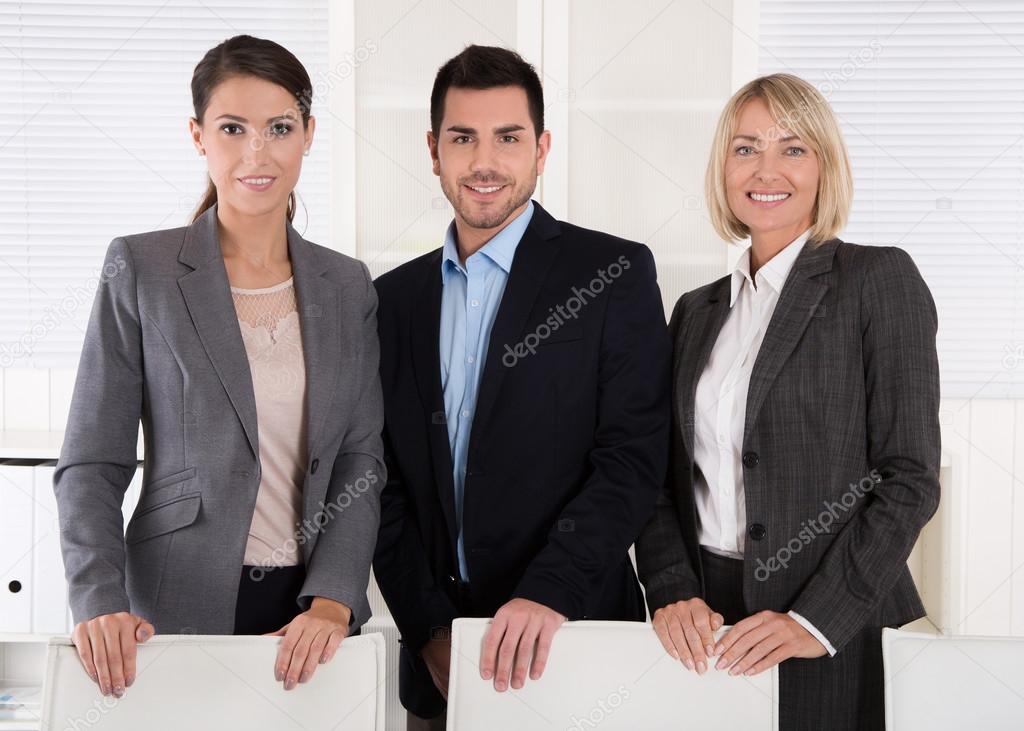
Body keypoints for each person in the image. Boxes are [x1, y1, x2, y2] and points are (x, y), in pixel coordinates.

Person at [53, 35, 384, 699]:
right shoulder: (141, 268)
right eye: (232, 128)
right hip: (171, 605)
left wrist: (334, 599)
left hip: (307, 619)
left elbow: (361, 459)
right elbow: (93, 460)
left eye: (279, 128)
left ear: (309, 135)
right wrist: (98, 600)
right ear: (199, 137)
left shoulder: (348, 286)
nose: (256, 153)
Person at [372, 45, 671, 730]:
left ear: (541, 148)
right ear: (433, 149)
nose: (484, 161)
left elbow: (632, 457)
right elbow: (377, 478)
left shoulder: (613, 273)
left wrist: (548, 592)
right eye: (463, 137)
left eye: (508, 138)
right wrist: (429, 630)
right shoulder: (390, 301)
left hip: (580, 646)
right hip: (441, 672)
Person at [636, 72, 940, 730]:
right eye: (746, 147)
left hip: (838, 624)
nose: (765, 169)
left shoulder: (878, 279)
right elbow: (655, 476)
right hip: (706, 629)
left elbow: (909, 476)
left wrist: (814, 619)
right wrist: (670, 587)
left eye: (792, 148)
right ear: (723, 167)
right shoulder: (695, 312)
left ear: (824, 167)